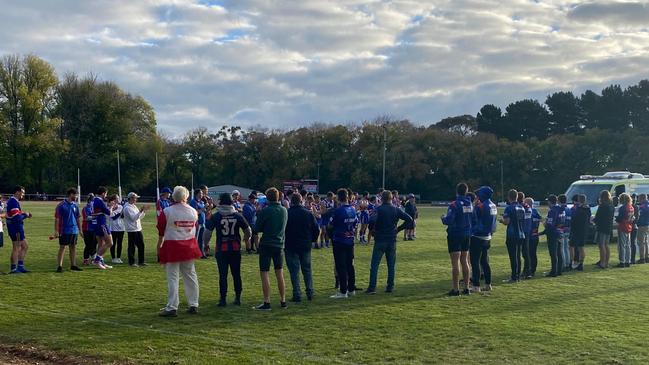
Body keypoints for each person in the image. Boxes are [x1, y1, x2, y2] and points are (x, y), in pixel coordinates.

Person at [157, 186, 202, 317]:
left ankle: (172, 306)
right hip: (189, 245)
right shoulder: (193, 211)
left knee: (173, 277)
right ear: (185, 197)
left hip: (172, 245)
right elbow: (196, 226)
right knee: (190, 275)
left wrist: (159, 246)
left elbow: (161, 230)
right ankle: (193, 303)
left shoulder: (167, 211)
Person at [204, 193, 251, 307]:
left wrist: (205, 244)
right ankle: (238, 298)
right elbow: (248, 229)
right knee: (236, 274)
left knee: (223, 275)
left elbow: (207, 232)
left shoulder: (216, 216)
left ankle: (223, 299)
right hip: (235, 248)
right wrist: (246, 239)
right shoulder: (237, 215)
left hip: (221, 249)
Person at [365, 190, 413, 294]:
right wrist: (399, 229)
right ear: (391, 198)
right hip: (392, 239)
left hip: (380, 239)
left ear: (382, 198)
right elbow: (409, 219)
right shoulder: (396, 209)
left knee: (374, 265)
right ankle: (390, 286)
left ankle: (372, 287)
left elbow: (372, 220)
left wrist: (372, 229)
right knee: (391, 265)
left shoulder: (379, 209)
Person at [253, 187, 288, 310]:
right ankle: (283, 300)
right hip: (279, 245)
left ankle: (267, 301)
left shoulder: (266, 211)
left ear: (267, 198)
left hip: (267, 244)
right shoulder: (284, 210)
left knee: (265, 273)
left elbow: (257, 228)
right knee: (280, 273)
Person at [284, 193, 319, 302]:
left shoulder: (287, 213)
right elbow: (316, 229)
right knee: (307, 270)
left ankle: (297, 294)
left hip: (291, 245)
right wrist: (312, 240)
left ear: (291, 201)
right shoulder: (308, 214)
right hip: (305, 245)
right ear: (301, 201)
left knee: (294, 271)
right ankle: (310, 292)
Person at [441, 183, 473, 295]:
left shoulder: (454, 204)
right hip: (467, 234)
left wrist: (443, 218)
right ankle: (467, 288)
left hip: (455, 234)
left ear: (456, 192)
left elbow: (449, 220)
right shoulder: (470, 204)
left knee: (455, 263)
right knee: (465, 261)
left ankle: (455, 289)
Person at [329, 188, 359, 299]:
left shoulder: (338, 211)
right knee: (350, 265)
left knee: (341, 266)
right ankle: (351, 289)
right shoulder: (353, 209)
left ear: (338, 197)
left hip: (340, 240)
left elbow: (330, 225)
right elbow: (356, 223)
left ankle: (343, 291)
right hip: (350, 240)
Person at [469, 187, 497, 292]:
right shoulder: (493, 205)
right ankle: (488, 284)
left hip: (477, 236)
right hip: (488, 236)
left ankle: (476, 286)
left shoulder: (480, 206)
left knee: (475, 261)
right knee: (485, 261)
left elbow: (473, 219)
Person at [53, 188, 83, 273]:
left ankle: (73, 265)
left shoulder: (75, 205)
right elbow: (57, 219)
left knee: (73, 247)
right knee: (62, 247)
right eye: (76, 195)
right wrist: (56, 230)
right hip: (64, 230)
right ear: (71, 195)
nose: (77, 197)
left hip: (74, 230)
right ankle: (59, 266)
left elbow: (78, 218)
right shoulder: (61, 205)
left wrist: (80, 230)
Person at [500, 189, 525, 283]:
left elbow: (507, 222)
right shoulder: (521, 207)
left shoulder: (509, 208)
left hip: (512, 235)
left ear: (508, 197)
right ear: (517, 197)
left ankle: (514, 277)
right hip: (521, 234)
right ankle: (517, 275)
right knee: (518, 256)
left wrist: (501, 220)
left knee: (513, 257)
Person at [6, 186, 32, 274]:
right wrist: (26, 215)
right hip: (15, 227)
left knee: (24, 246)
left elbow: (16, 214)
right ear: (17, 192)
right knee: (16, 247)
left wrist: (24, 213)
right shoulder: (13, 202)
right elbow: (16, 217)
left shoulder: (14, 201)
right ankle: (13, 269)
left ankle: (20, 266)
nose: (23, 194)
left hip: (16, 227)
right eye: (22, 192)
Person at [91, 187, 115, 269]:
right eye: (106, 193)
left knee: (101, 244)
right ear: (103, 193)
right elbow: (109, 213)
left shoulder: (95, 200)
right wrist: (111, 206)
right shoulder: (99, 201)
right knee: (110, 243)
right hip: (101, 223)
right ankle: (97, 260)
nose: (106, 195)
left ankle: (101, 262)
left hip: (97, 223)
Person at [123, 192, 148, 267]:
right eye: (135, 198)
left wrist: (143, 211)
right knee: (132, 246)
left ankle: (141, 261)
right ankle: (132, 262)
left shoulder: (133, 206)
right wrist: (140, 211)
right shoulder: (127, 207)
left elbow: (139, 217)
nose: (136, 199)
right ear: (130, 198)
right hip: (132, 229)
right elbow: (133, 218)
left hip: (137, 228)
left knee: (141, 245)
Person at [569, 194, 591, 271]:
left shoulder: (578, 209)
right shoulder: (588, 208)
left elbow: (574, 219)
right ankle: (581, 263)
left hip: (576, 230)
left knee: (571, 246)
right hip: (584, 230)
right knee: (581, 247)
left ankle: (571, 262)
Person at [593, 191, 614, 269]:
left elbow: (598, 217)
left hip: (601, 227)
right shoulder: (611, 206)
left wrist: (593, 221)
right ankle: (606, 262)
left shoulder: (602, 206)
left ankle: (602, 263)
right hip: (608, 227)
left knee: (601, 245)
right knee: (606, 245)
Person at [545, 195, 565, 277]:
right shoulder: (561, 209)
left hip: (553, 233)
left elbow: (550, 224)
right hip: (560, 232)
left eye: (548, 201)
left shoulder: (552, 211)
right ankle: (559, 270)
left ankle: (554, 271)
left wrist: (545, 224)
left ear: (550, 201)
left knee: (553, 253)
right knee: (559, 252)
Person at [616, 193, 635, 268]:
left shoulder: (623, 208)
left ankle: (622, 261)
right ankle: (628, 261)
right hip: (629, 226)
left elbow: (620, 218)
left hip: (623, 226)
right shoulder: (631, 207)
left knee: (622, 245)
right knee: (628, 245)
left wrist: (616, 219)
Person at [525, 198, 542, 277]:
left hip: (530, 236)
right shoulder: (536, 212)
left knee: (528, 255)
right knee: (533, 254)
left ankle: (529, 271)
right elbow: (540, 219)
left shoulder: (528, 211)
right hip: (536, 235)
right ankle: (532, 270)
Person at [518, 192, 533, 279]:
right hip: (527, 232)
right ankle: (528, 271)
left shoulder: (520, 207)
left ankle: (519, 272)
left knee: (518, 254)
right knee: (526, 253)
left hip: (521, 232)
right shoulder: (528, 207)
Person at [156, 187, 173, 260]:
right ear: (165, 193)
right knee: (161, 239)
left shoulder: (168, 201)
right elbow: (159, 212)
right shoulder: (159, 201)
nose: (169, 194)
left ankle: (165, 254)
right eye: (168, 193)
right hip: (162, 222)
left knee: (167, 239)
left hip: (168, 222)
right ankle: (159, 255)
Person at [190, 189, 207, 259]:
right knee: (195, 239)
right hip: (197, 223)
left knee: (202, 239)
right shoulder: (193, 202)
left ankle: (201, 254)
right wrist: (204, 208)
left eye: (202, 193)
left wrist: (209, 207)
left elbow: (204, 212)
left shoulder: (202, 202)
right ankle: (193, 253)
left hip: (203, 223)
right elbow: (195, 212)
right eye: (200, 193)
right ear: (196, 194)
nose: (202, 194)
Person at [109, 194, 125, 264]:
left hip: (121, 227)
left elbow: (121, 216)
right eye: (117, 198)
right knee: (113, 243)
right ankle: (113, 258)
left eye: (118, 198)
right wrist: (116, 212)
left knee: (119, 243)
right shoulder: (109, 207)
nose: (118, 199)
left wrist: (117, 213)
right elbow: (112, 217)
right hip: (112, 228)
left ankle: (118, 258)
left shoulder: (121, 206)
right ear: (113, 199)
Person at [81, 194, 98, 265]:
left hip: (94, 229)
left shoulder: (95, 208)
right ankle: (86, 259)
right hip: (87, 229)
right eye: (92, 201)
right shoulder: (85, 208)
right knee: (88, 245)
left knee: (94, 244)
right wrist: (96, 217)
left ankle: (94, 258)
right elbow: (86, 218)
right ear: (90, 201)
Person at [558, 195, 572, 271]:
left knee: (562, 248)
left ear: (559, 201)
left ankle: (563, 264)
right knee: (567, 248)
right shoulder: (569, 209)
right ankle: (568, 263)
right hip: (568, 230)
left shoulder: (561, 209)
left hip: (562, 230)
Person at [637, 194, 649, 264]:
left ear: (642, 198)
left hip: (642, 225)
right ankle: (647, 257)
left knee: (641, 242)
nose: (638, 200)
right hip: (647, 225)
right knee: (646, 242)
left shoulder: (642, 206)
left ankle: (642, 258)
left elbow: (639, 215)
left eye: (639, 198)